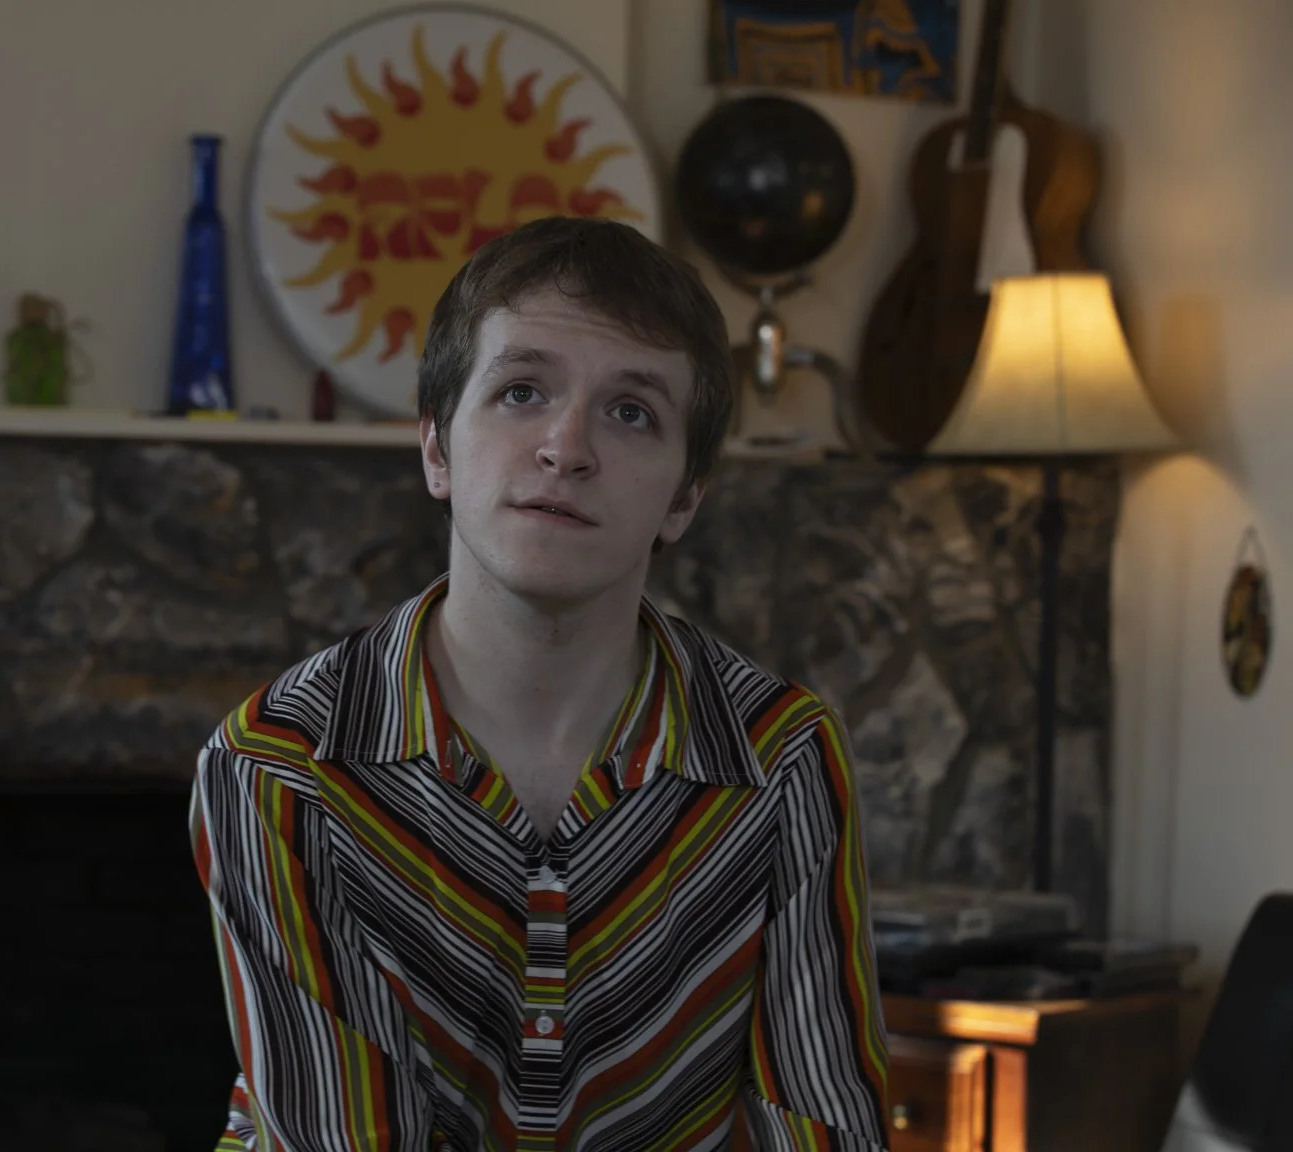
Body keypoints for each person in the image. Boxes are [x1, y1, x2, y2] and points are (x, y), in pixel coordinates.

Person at [189, 216, 890, 1151]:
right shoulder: (277, 767)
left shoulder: (782, 756)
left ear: (686, 496)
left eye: (631, 411)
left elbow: (826, 1125)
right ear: (437, 447)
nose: (568, 448)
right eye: (522, 391)